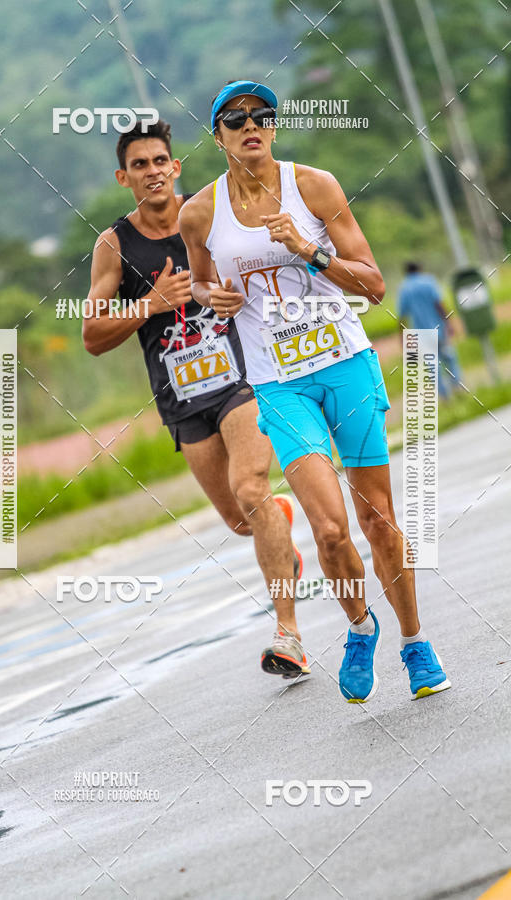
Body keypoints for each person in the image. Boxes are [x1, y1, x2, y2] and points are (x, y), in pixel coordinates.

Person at [179, 80, 451, 701]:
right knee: (330, 531)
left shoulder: (314, 187)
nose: (252, 125)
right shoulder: (200, 213)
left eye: (263, 116)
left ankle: (415, 642)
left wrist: (307, 251)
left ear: (273, 127)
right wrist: (211, 297)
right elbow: (199, 285)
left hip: (344, 365)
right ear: (217, 134)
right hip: (278, 382)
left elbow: (374, 285)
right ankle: (360, 628)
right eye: (235, 118)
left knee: (376, 519)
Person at [83, 118, 308, 678]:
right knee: (241, 518)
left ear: (175, 166)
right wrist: (152, 304)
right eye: (140, 165)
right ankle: (277, 530)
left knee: (251, 487)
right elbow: (91, 334)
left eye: (160, 161)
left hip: (243, 378)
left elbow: (263, 262)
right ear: (124, 177)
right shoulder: (114, 245)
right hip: (182, 400)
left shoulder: (207, 213)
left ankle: (290, 635)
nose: (153, 172)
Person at [397, 262, 463, 398]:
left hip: (421, 333)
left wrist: (402, 337)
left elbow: (402, 316)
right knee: (449, 357)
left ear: (406, 273)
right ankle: (457, 388)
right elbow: (439, 304)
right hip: (439, 328)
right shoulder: (429, 281)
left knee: (432, 365)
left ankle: (444, 396)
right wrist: (449, 323)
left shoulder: (404, 288)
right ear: (420, 269)